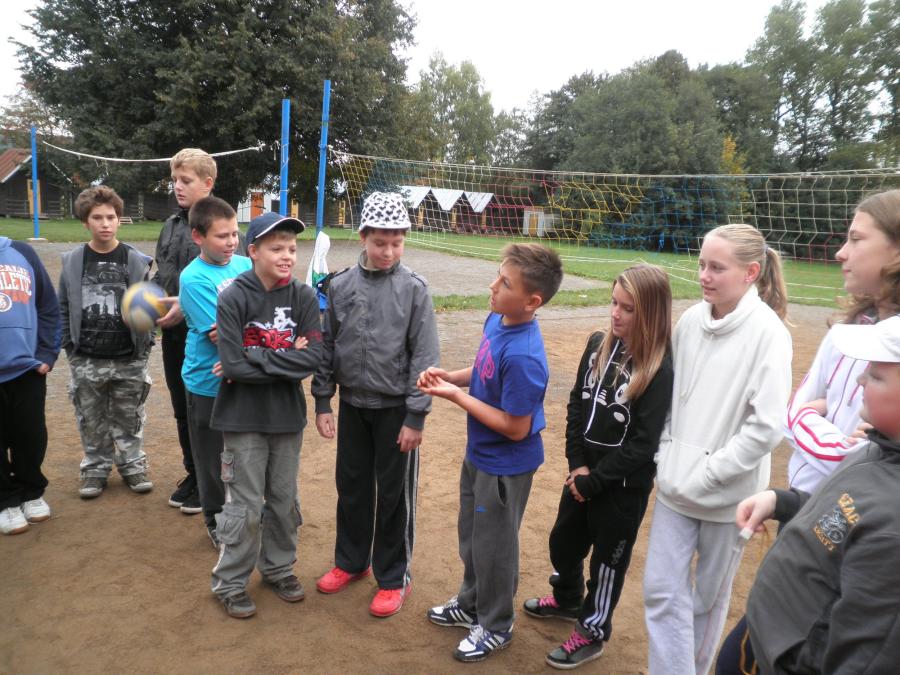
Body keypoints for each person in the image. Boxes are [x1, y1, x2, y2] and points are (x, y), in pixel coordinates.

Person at [642, 223, 793, 675]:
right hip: (674, 487)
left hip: (729, 498)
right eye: (702, 264)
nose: (704, 276)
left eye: (717, 268)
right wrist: (667, 454)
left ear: (751, 272)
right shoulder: (690, 321)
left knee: (705, 603)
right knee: (661, 592)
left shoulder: (769, 334)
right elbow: (670, 399)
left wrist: (711, 472)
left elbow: (766, 427)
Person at [716, 316, 900, 674]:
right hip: (771, 636)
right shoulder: (876, 448)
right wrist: (782, 503)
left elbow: (865, 659)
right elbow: (845, 515)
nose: (860, 379)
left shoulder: (893, 528)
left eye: (877, 376)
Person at [521, 264, 674, 670]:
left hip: (621, 489)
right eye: (613, 303)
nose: (615, 314)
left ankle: (592, 630)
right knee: (563, 543)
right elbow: (577, 403)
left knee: (607, 565)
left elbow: (643, 444)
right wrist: (577, 466)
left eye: (628, 308)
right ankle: (568, 597)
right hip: (582, 476)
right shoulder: (597, 345)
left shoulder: (660, 368)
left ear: (651, 313)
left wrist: (597, 481)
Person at [421, 243, 564, 663]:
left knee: (495, 549)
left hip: (505, 466)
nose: (493, 286)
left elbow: (516, 428)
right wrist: (453, 378)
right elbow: (485, 369)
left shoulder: (525, 357)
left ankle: (497, 624)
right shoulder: (499, 320)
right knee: (473, 538)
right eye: (498, 276)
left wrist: (455, 397)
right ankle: (471, 605)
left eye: (505, 283)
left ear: (531, 301)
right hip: (480, 455)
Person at [311, 191, 440, 618]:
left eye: (396, 243)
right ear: (363, 236)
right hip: (353, 406)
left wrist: (416, 415)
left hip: (395, 411)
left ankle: (393, 576)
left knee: (393, 496)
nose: (388, 251)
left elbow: (425, 357)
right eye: (380, 242)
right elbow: (327, 344)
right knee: (351, 487)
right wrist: (324, 400)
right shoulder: (341, 285)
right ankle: (352, 561)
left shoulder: (414, 290)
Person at [209, 212, 322, 619]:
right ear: (253, 251)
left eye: (292, 248)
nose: (287, 256)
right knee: (244, 507)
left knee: (284, 501)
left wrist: (254, 355)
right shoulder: (233, 297)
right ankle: (230, 582)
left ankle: (277, 568)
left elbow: (313, 358)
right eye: (277, 249)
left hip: (286, 418)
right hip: (241, 420)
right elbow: (232, 367)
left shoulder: (304, 297)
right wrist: (286, 355)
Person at [785, 189, 900, 493]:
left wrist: (807, 417)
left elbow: (867, 461)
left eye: (856, 239)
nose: (841, 253)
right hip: (802, 504)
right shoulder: (847, 328)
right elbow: (791, 413)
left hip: (859, 512)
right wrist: (807, 416)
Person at [59, 186, 154, 499]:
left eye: (111, 217)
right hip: (87, 356)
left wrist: (145, 345)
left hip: (129, 357)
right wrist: (71, 348)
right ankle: (96, 468)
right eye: (97, 218)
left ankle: (132, 464)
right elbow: (63, 306)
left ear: (119, 218)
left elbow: (150, 306)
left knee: (130, 415)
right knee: (91, 417)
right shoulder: (73, 261)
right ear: (85, 222)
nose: (105, 224)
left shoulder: (135, 260)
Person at [154, 148, 234, 515]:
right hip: (175, 336)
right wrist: (154, 300)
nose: (178, 186)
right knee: (182, 409)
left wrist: (185, 307)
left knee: (209, 414)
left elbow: (222, 282)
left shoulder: (220, 227)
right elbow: (166, 274)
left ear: (208, 183)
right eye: (174, 180)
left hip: (208, 339)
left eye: (185, 180)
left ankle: (211, 483)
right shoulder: (172, 225)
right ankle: (195, 473)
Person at [178, 196, 251, 547]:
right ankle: (216, 520)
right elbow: (221, 334)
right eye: (222, 236)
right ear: (198, 236)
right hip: (208, 382)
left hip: (244, 379)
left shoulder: (245, 264)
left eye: (235, 233)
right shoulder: (193, 278)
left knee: (244, 451)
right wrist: (258, 327)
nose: (232, 242)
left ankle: (244, 511)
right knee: (212, 459)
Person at [0, 236, 60, 535]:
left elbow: (48, 306)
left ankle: (31, 489)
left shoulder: (21, 252)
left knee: (30, 434)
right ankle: (5, 500)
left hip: (26, 368)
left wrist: (47, 353)